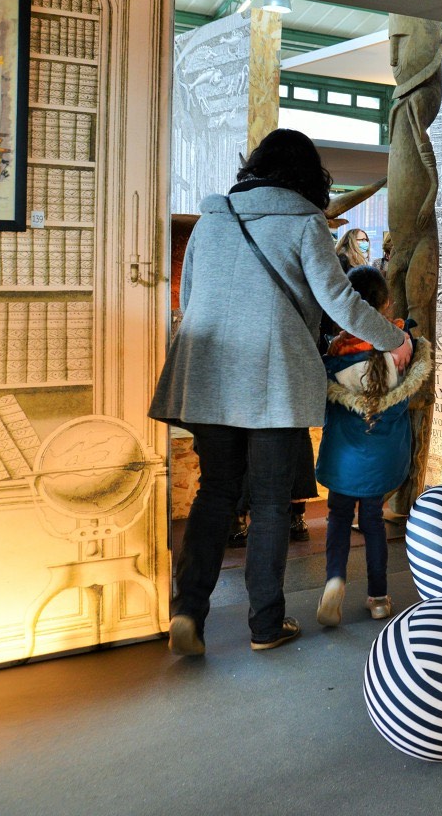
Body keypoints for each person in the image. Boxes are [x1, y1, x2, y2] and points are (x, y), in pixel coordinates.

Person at [150, 129, 412, 656]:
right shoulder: (304, 222)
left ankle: (188, 611)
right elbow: (339, 299)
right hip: (271, 379)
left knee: (214, 493)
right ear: (306, 176)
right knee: (270, 502)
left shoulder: (213, 219)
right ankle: (265, 624)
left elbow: (194, 296)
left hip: (209, 375)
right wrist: (395, 338)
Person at [314, 267, 429, 627]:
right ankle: (378, 597)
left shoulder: (335, 354)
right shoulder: (403, 350)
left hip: (344, 460)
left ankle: (335, 579)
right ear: (387, 302)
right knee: (373, 521)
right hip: (382, 460)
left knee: (338, 518)